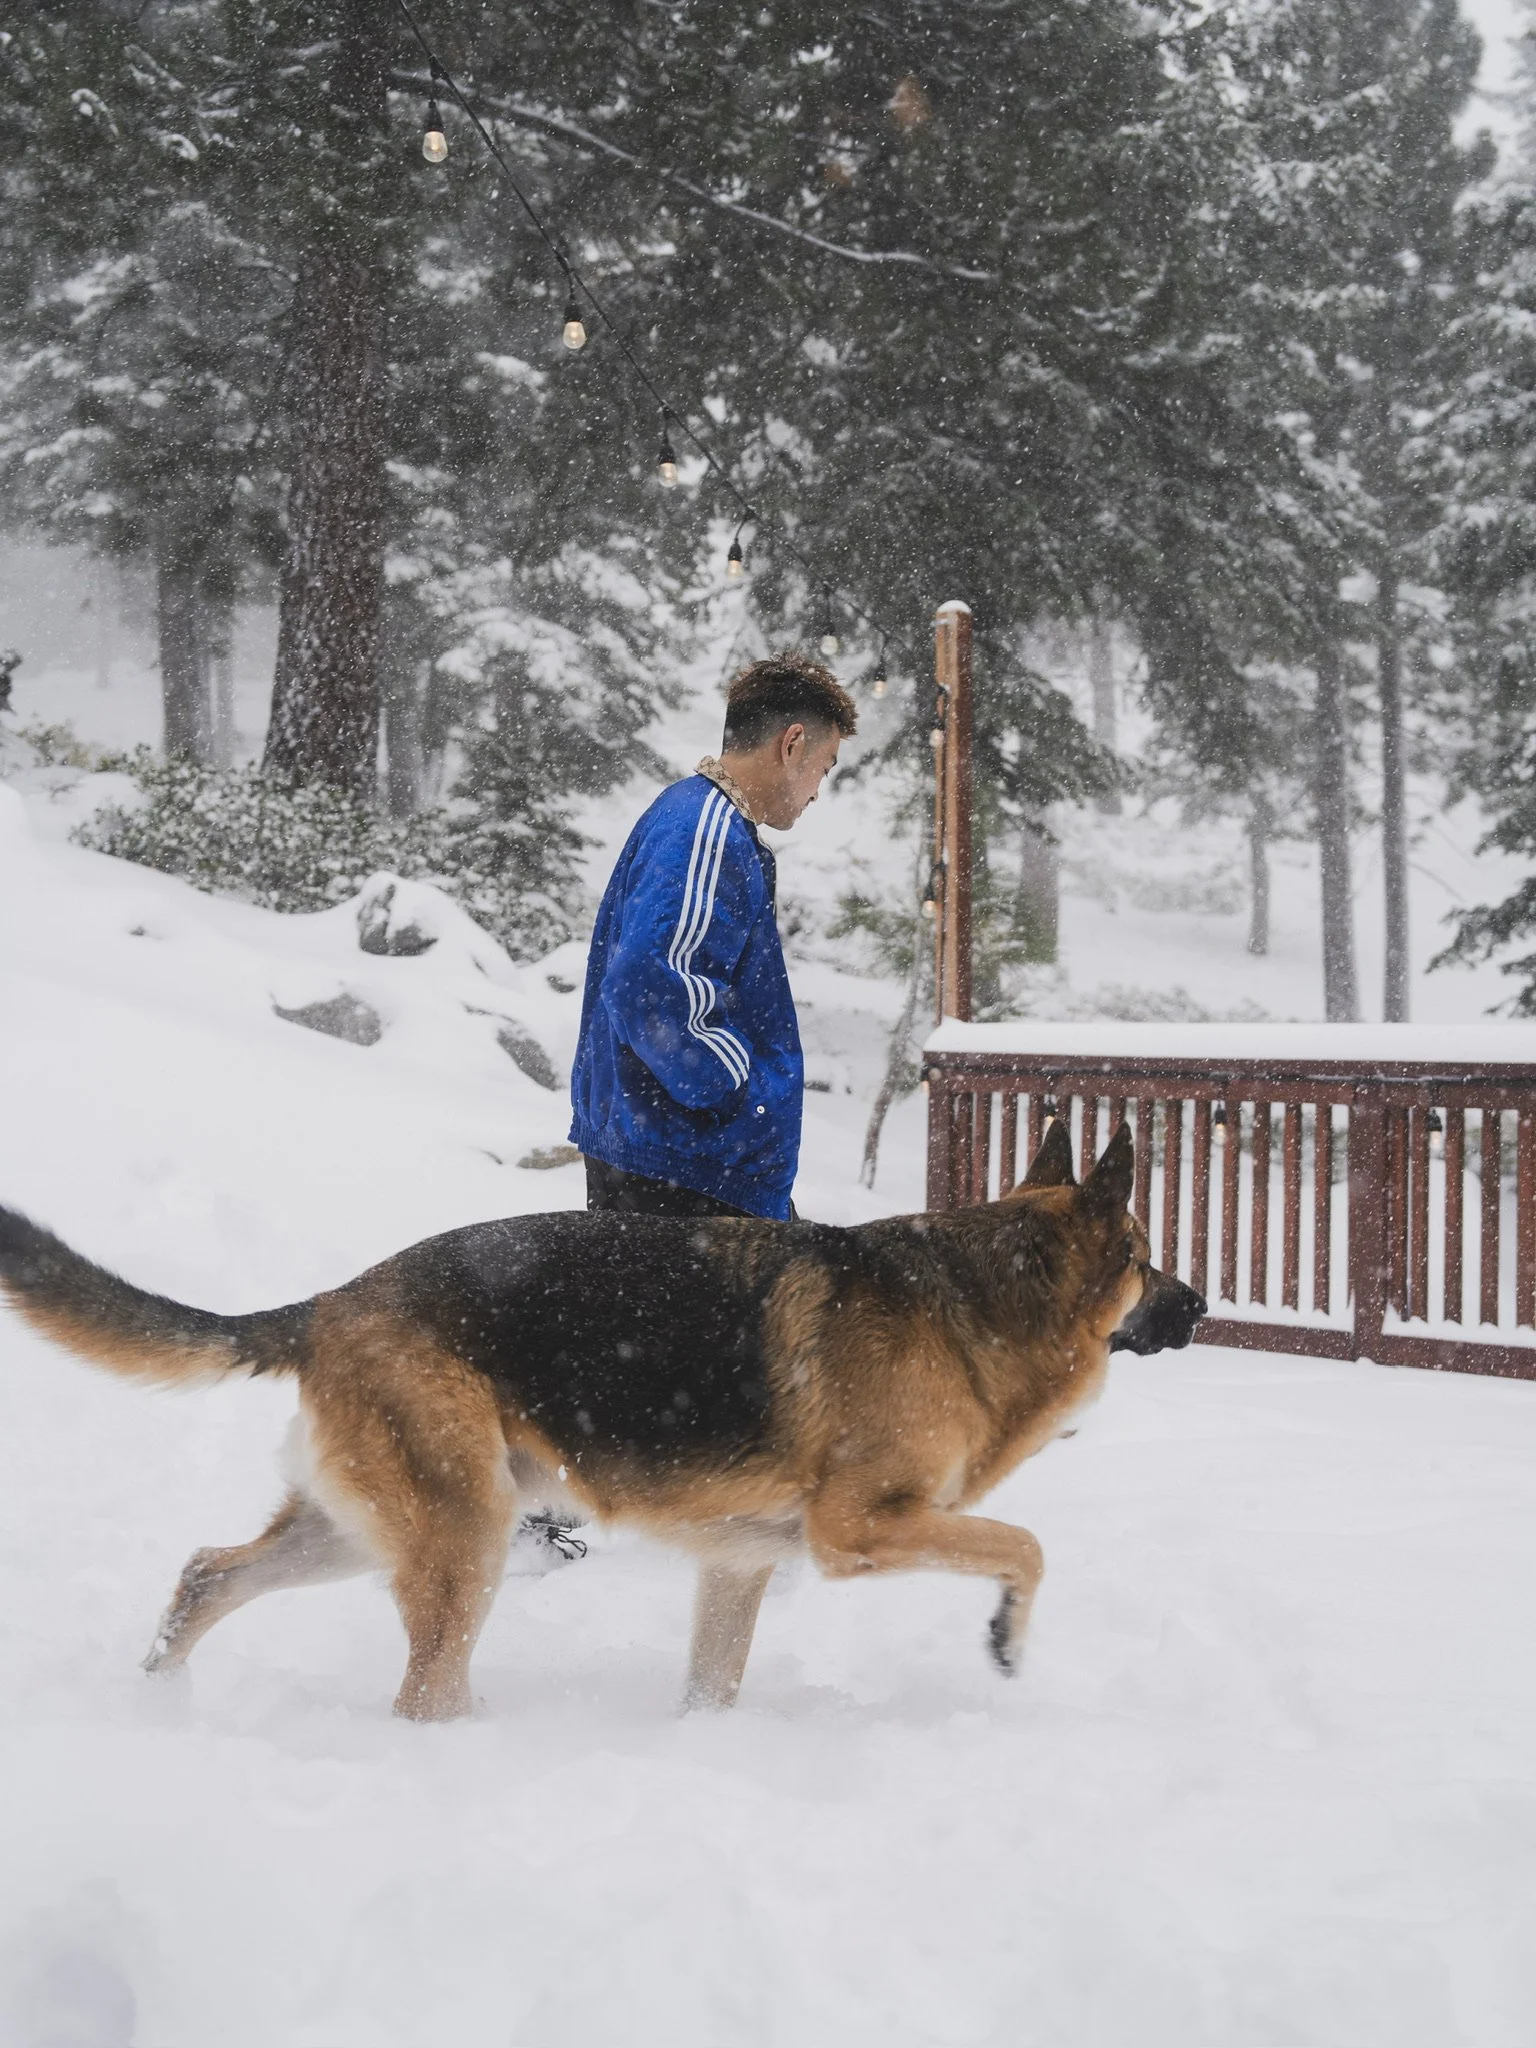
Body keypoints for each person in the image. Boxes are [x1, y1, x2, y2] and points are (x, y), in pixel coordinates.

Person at [569, 652, 857, 1222]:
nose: (818, 791)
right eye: (824, 768)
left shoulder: (698, 818)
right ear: (792, 743)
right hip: (684, 1165)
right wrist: (737, 1089)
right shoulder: (707, 829)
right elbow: (651, 985)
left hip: (675, 1157)